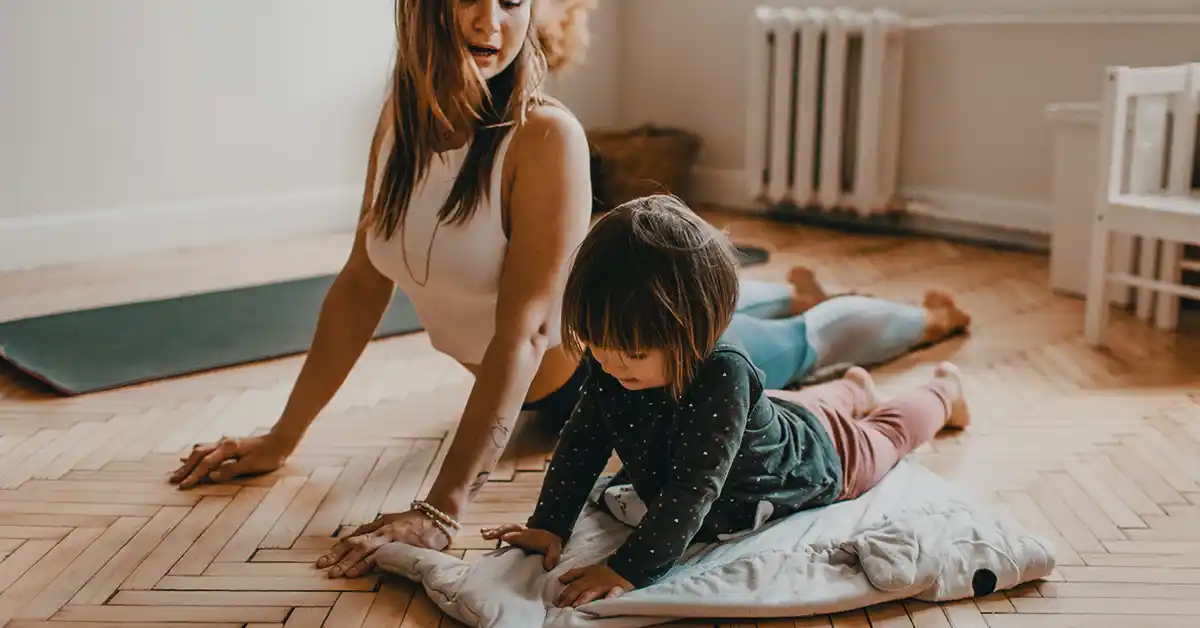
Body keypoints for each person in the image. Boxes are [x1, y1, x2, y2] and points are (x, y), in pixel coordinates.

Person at [167, 0, 968, 579]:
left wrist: (444, 508)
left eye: (513, 0)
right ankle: (785, 303)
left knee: (798, 347)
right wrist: (281, 440)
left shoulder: (544, 136)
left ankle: (916, 321)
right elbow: (357, 288)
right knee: (764, 327)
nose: (491, 21)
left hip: (616, 368)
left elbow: (522, 335)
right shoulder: (399, 127)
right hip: (619, 347)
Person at [479, 196, 972, 608]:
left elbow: (695, 487)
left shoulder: (723, 372)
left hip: (817, 457)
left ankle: (944, 393)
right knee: (802, 404)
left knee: (885, 434)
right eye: (597, 346)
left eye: (632, 353)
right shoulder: (613, 363)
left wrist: (628, 568)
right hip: (776, 415)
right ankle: (854, 388)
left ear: (696, 333)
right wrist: (549, 525)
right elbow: (583, 441)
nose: (610, 364)